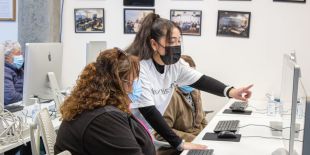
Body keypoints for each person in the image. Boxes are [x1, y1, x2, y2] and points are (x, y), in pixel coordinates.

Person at [126, 13, 253, 152]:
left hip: (144, 130)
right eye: (171, 41)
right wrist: (179, 143)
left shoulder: (175, 65)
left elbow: (201, 80)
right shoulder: (139, 68)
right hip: (127, 128)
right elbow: (149, 111)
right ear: (154, 44)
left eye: (179, 41)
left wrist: (231, 91)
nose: (176, 46)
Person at [54, 48, 156, 155]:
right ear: (118, 84)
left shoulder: (99, 111)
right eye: (133, 81)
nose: (137, 85)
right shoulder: (104, 120)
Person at [154, 55, 208, 155]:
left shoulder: (195, 91)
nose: (191, 80)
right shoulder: (170, 96)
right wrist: (195, 139)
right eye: (187, 76)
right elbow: (160, 133)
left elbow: (202, 118)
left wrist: (208, 134)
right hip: (176, 149)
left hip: (197, 143)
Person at [2, 40, 24, 106]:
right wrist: (27, 97)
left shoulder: (18, 68)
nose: (21, 56)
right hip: (12, 109)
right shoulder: (4, 71)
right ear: (6, 57)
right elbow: (10, 97)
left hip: (21, 104)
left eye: (21, 53)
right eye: (18, 53)